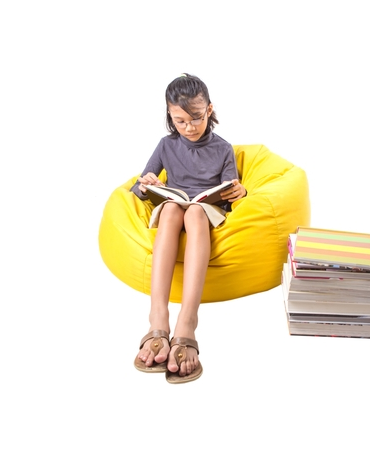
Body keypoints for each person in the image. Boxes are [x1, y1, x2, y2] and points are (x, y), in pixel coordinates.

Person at [130, 73, 247, 383]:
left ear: (209, 110)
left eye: (196, 118)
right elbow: (138, 188)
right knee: (170, 210)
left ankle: (187, 322)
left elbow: (232, 191)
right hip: (174, 202)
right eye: (179, 121)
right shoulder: (166, 146)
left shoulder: (223, 149)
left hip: (204, 209)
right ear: (170, 116)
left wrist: (241, 192)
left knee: (194, 213)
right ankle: (158, 319)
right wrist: (148, 184)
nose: (189, 127)